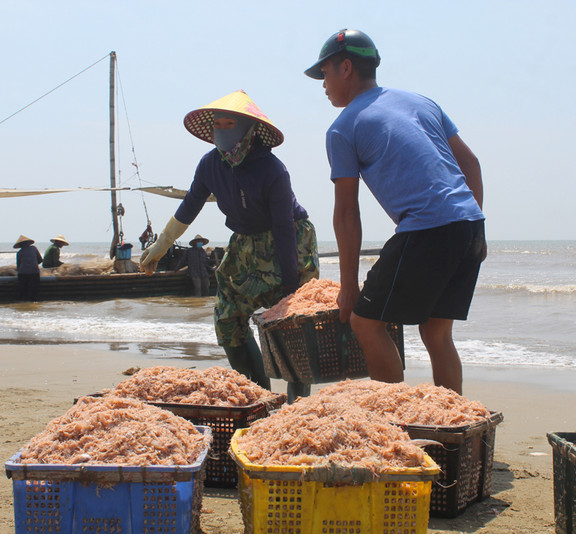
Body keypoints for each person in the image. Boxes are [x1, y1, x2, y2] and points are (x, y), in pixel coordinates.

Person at [305, 29, 486, 394]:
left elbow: (346, 214)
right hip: (469, 223)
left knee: (365, 323)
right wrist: (474, 226)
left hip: (426, 228)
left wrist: (349, 288)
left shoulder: (343, 128)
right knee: (436, 331)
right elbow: (471, 164)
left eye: (323, 74)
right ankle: (451, 423)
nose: (322, 85)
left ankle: (393, 423)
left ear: (345, 67)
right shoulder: (420, 102)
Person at [140, 90, 319, 401]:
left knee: (293, 324)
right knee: (227, 317)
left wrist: (291, 287)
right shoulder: (210, 165)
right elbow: (190, 205)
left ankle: (297, 403)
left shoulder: (272, 170)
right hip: (244, 241)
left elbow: (282, 227)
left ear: (247, 129)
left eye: (229, 124)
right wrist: (160, 246)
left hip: (289, 239)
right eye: (217, 124)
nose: (222, 130)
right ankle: (258, 395)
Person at [14, 235, 42, 301]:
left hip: (22, 273)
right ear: (28, 243)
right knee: (34, 290)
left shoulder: (19, 253)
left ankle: (23, 301)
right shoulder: (34, 248)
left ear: (20, 245)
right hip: (34, 272)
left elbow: (18, 265)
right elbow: (40, 260)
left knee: (23, 290)